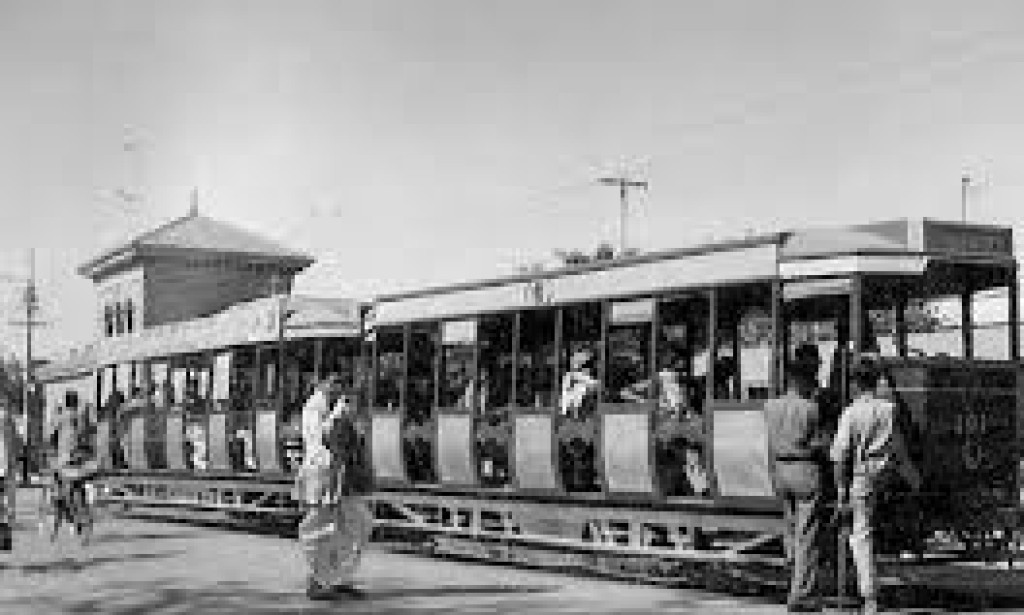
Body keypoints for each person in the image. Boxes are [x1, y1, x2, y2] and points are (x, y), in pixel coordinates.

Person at [831, 361, 921, 615]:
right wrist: (914, 481)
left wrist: (840, 494)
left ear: (855, 384)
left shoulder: (851, 413)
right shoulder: (889, 409)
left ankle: (869, 596)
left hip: (863, 476)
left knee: (861, 534)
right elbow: (899, 447)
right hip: (889, 474)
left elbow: (840, 455)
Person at [764, 353, 831, 612]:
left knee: (790, 531)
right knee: (807, 535)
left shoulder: (771, 407)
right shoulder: (810, 408)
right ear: (803, 379)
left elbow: (770, 443)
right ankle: (801, 593)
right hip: (805, 471)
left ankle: (793, 578)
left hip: (780, 470)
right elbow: (819, 444)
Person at [295, 375, 372, 600]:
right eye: (333, 381)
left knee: (358, 524)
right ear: (321, 383)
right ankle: (320, 580)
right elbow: (320, 445)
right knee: (320, 528)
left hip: (341, 479)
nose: (338, 386)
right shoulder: (315, 409)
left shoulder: (337, 408)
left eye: (340, 382)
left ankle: (335, 577)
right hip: (325, 477)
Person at [559, 350, 599, 418]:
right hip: (571, 395)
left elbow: (591, 382)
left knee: (581, 388)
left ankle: (573, 412)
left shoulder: (580, 373)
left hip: (576, 392)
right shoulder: (572, 374)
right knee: (580, 388)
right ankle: (571, 412)